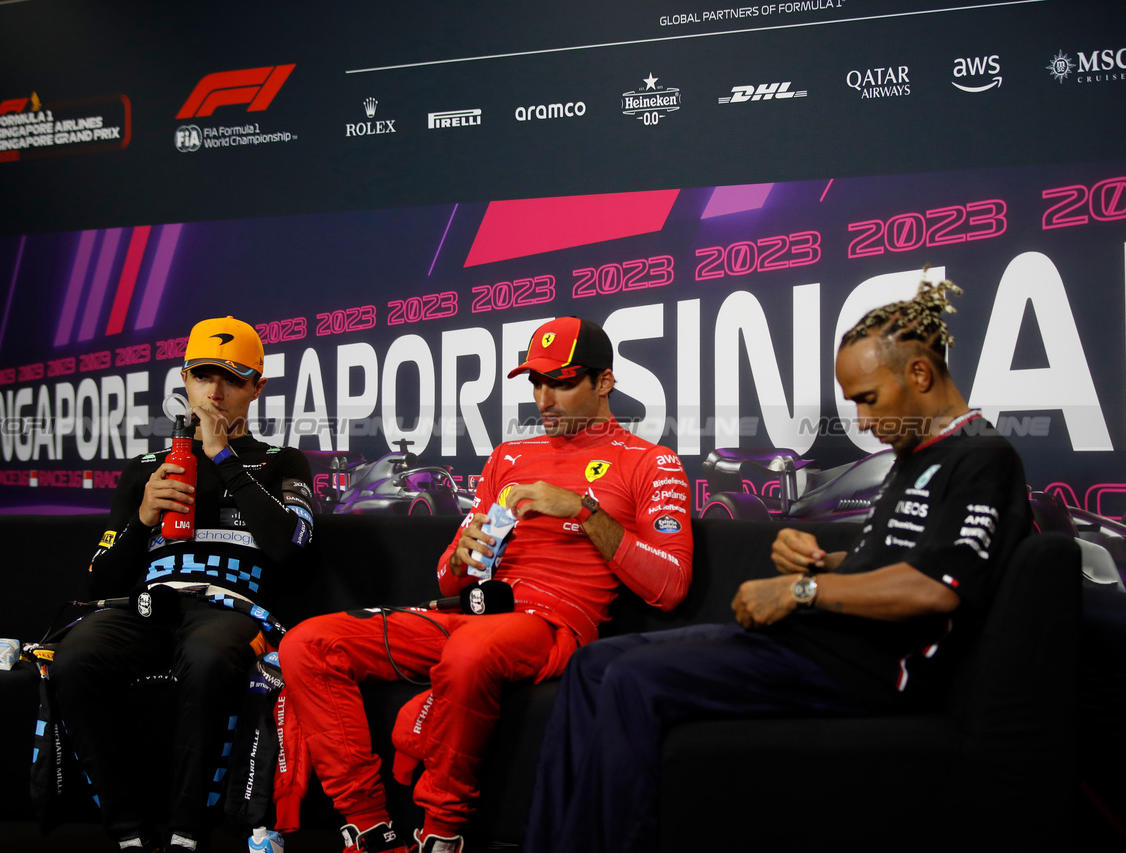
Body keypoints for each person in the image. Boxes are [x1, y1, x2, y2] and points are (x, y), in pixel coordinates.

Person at [525, 275, 1033, 853]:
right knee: (594, 664)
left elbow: (938, 589)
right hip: (812, 643)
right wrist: (823, 559)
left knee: (632, 681)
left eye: (868, 399)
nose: (863, 423)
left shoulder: (981, 457)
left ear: (919, 374)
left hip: (859, 669)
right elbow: (897, 558)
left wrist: (799, 593)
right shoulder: (916, 455)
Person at [277, 316, 694, 853]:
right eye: (536, 383)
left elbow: (672, 584)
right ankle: (370, 831)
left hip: (552, 626)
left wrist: (584, 511)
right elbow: (448, 571)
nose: (545, 398)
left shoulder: (651, 462)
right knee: (307, 643)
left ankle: (441, 834)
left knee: (470, 651)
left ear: (604, 382)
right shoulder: (508, 458)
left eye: (562, 382)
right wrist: (465, 555)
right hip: (470, 610)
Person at [51, 316, 315, 853]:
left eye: (232, 378)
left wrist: (224, 459)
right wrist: (143, 518)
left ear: (257, 387)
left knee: (208, 654)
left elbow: (291, 547)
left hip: (230, 610)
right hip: (149, 605)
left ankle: (186, 833)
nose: (214, 392)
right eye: (202, 376)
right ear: (184, 380)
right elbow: (97, 579)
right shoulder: (149, 466)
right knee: (75, 656)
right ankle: (126, 832)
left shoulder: (282, 461)